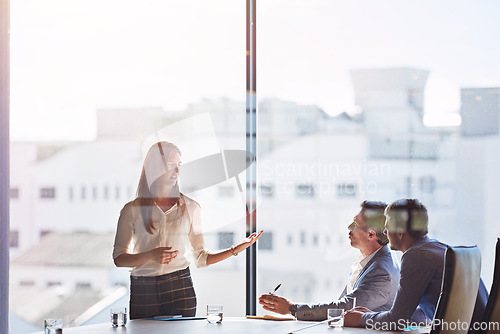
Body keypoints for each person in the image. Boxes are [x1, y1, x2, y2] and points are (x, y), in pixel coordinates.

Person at [112, 141, 262, 319]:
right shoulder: (131, 210)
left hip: (180, 287)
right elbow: (119, 259)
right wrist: (151, 255)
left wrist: (236, 249)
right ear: (154, 168)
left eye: (179, 165)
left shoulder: (191, 208)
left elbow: (200, 258)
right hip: (143, 288)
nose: (177, 171)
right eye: (170, 165)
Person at [258, 201, 400, 321]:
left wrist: (292, 309)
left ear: (371, 234)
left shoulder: (381, 271)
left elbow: (344, 308)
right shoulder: (370, 260)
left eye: (356, 224)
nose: (349, 227)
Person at [344, 198, 447, 329]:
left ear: (399, 232)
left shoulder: (415, 256)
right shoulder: (437, 248)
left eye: (387, 227)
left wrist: (362, 319)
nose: (385, 233)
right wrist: (377, 316)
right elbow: (423, 315)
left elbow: (398, 321)